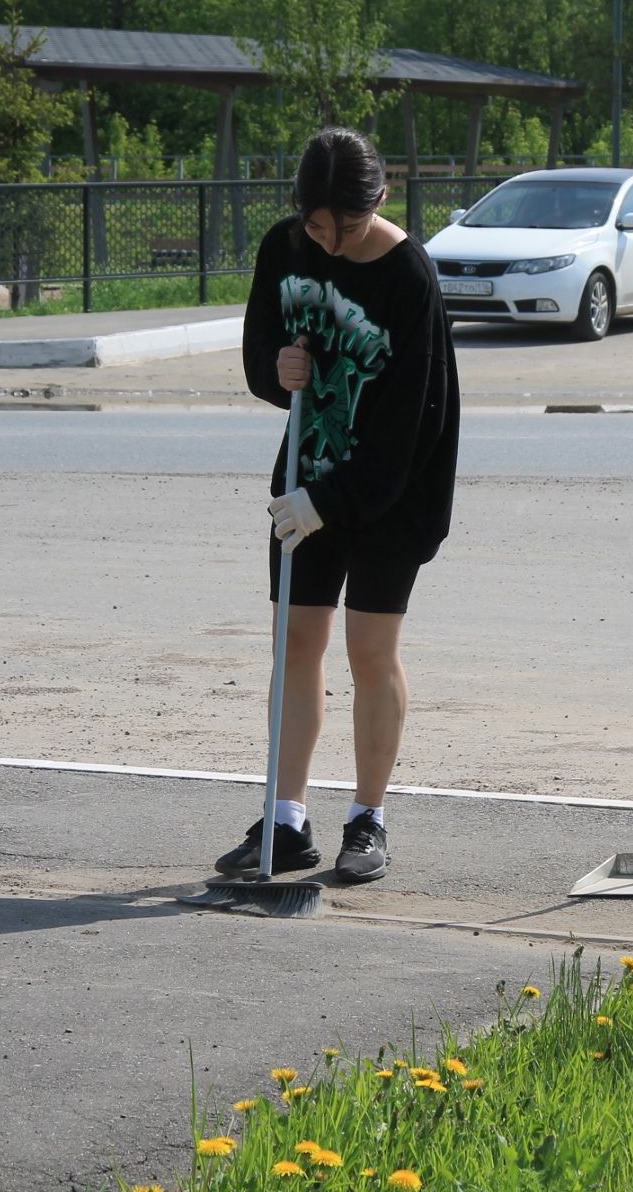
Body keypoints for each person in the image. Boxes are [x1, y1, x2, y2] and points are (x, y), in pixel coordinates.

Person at [216, 125, 460, 884]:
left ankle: (367, 818)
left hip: (392, 495)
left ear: (378, 202)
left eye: (345, 227)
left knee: (369, 653)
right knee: (295, 645)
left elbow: (405, 426)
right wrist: (275, 368)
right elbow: (262, 355)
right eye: (316, 225)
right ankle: (286, 821)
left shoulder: (408, 276)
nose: (328, 242)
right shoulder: (284, 248)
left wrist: (332, 500)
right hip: (305, 482)